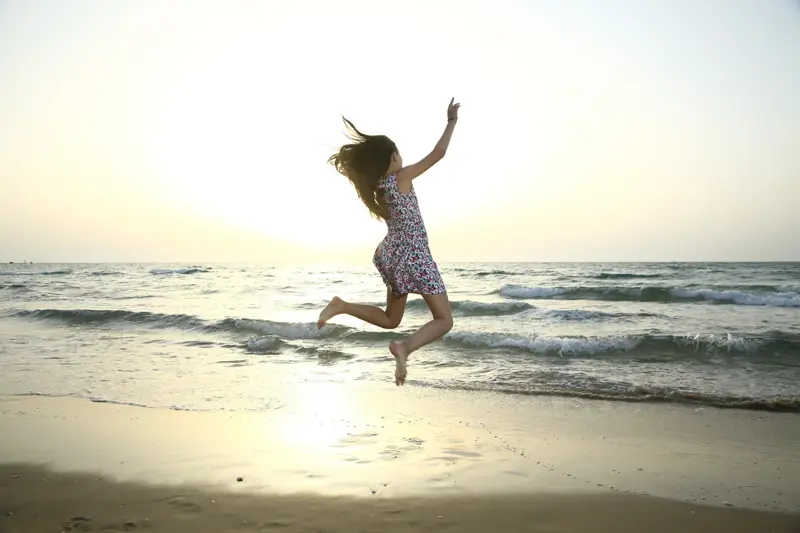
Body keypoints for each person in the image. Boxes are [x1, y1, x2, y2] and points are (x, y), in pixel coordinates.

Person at [317, 98, 461, 386]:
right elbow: (438, 153)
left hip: (392, 253)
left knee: (390, 319)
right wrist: (451, 122)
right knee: (445, 320)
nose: (401, 157)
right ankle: (404, 347)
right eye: (398, 152)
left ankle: (341, 305)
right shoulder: (400, 178)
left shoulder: (378, 189)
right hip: (413, 255)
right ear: (391, 158)